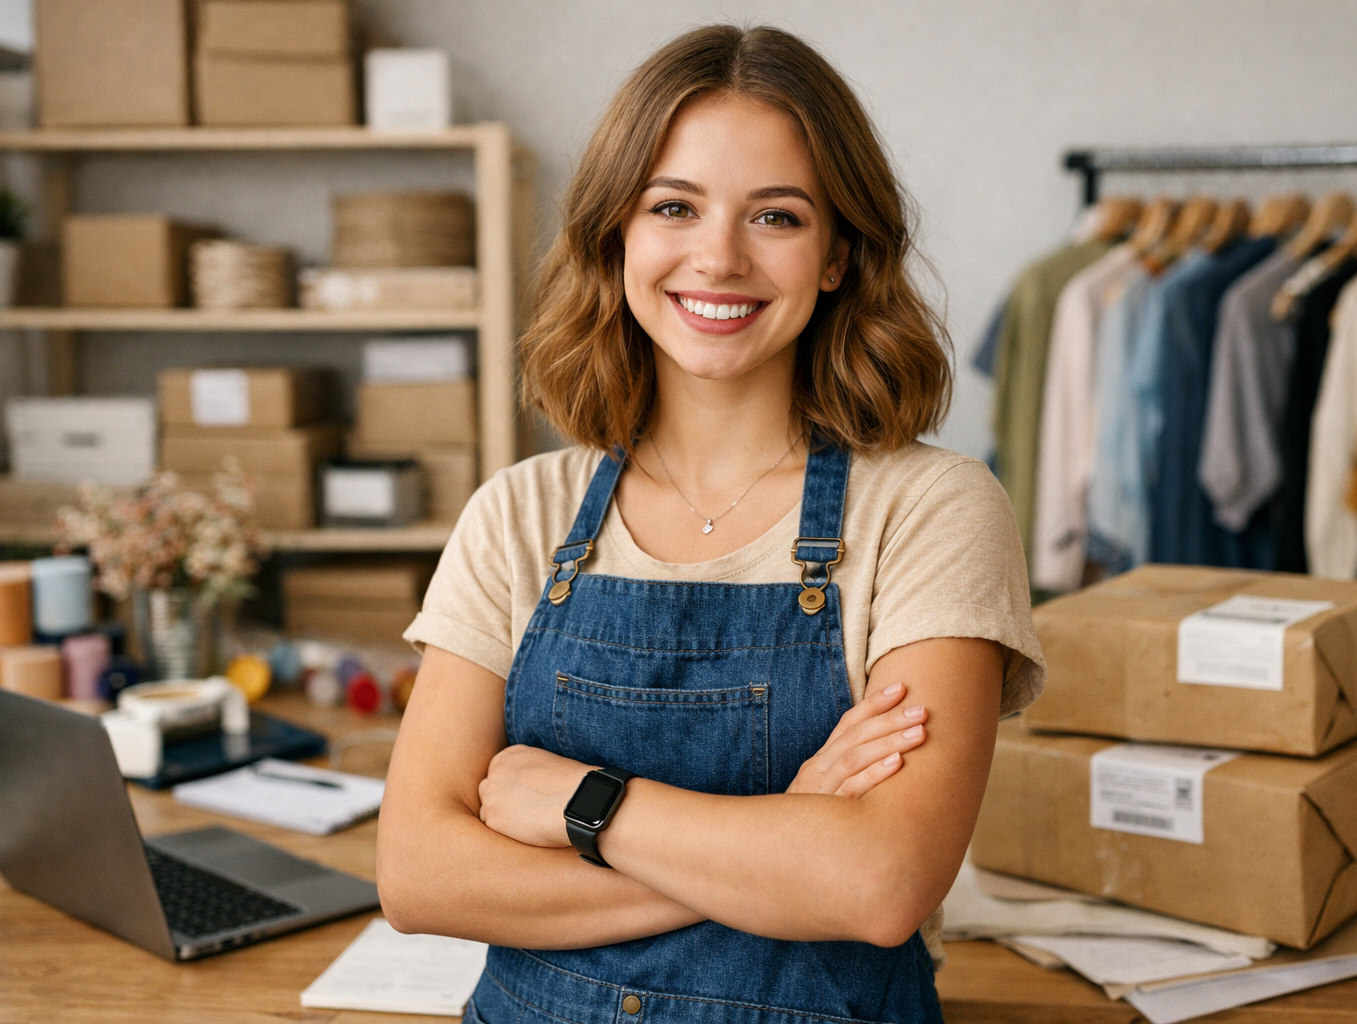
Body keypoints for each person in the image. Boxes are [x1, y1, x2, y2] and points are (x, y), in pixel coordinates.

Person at [377, 23, 1045, 1024]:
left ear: (836, 255)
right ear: (618, 235)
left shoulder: (933, 510)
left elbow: (880, 884)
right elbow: (421, 875)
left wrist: (582, 804)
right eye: (674, 206)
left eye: (775, 215)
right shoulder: (518, 515)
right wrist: (788, 838)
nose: (719, 257)